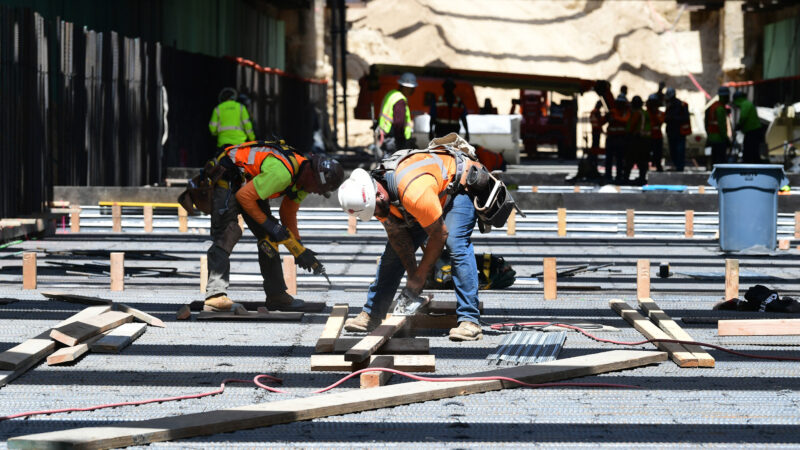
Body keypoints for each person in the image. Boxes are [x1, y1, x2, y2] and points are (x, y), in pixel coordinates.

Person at [337, 141, 487, 341]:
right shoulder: (376, 197)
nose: (376, 216)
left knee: (455, 242)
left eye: (375, 211)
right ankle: (372, 313)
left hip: (458, 188)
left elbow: (439, 235)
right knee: (392, 253)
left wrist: (421, 275)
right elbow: (398, 237)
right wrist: (412, 277)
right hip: (428, 199)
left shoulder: (414, 193)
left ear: (379, 195)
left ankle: (470, 321)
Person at [203, 140, 344, 312]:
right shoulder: (282, 174)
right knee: (229, 232)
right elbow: (243, 197)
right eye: (319, 188)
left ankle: (276, 295)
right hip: (228, 177)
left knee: (269, 238)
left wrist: (298, 249)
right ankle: (215, 296)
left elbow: (288, 213)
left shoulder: (302, 181)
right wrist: (271, 225)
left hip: (250, 183)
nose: (317, 192)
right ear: (313, 175)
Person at [209, 88, 256, 156]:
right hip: (239, 143)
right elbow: (247, 126)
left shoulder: (218, 109)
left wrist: (216, 134)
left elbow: (212, 128)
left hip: (223, 143)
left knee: (223, 163)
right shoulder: (241, 107)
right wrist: (252, 139)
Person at [378, 72, 417, 154]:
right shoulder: (400, 100)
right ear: (406, 87)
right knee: (392, 164)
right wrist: (401, 143)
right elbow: (399, 124)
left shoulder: (392, 94)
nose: (413, 91)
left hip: (386, 134)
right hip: (393, 138)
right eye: (412, 88)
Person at [732, 91, 763, 163]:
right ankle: (753, 163)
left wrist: (738, 125)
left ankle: (749, 164)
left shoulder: (745, 104)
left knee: (749, 150)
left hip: (752, 131)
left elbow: (743, 116)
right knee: (753, 150)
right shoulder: (747, 103)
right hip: (753, 130)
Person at [605, 95, 630, 183]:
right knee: (609, 158)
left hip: (621, 139)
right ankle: (608, 175)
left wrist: (615, 118)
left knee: (620, 158)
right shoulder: (612, 112)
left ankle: (619, 176)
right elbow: (603, 120)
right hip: (612, 138)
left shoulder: (626, 112)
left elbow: (626, 121)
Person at [624, 95, 648, 184]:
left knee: (631, 160)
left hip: (636, 140)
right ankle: (641, 177)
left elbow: (630, 127)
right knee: (641, 161)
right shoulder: (644, 113)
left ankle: (626, 178)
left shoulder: (636, 113)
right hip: (642, 141)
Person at [664, 88, 690, 171]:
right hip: (671, 132)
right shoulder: (669, 105)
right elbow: (666, 118)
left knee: (680, 151)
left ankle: (680, 166)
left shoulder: (681, 105)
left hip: (679, 132)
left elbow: (686, 118)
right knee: (673, 151)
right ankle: (677, 165)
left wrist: (674, 119)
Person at [705, 87, 731, 165]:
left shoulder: (714, 106)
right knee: (720, 161)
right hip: (719, 138)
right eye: (727, 96)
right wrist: (726, 138)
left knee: (715, 160)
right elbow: (722, 126)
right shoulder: (720, 108)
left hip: (712, 137)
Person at [645, 94, 665, 171]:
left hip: (657, 137)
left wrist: (654, 114)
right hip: (648, 137)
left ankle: (658, 166)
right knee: (646, 154)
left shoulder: (660, 113)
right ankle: (645, 167)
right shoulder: (646, 113)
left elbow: (661, 121)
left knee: (658, 154)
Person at [589, 100, 606, 175]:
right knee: (595, 145)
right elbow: (599, 122)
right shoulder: (596, 112)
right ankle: (593, 159)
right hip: (596, 130)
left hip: (594, 129)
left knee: (594, 144)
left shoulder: (593, 111)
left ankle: (593, 158)